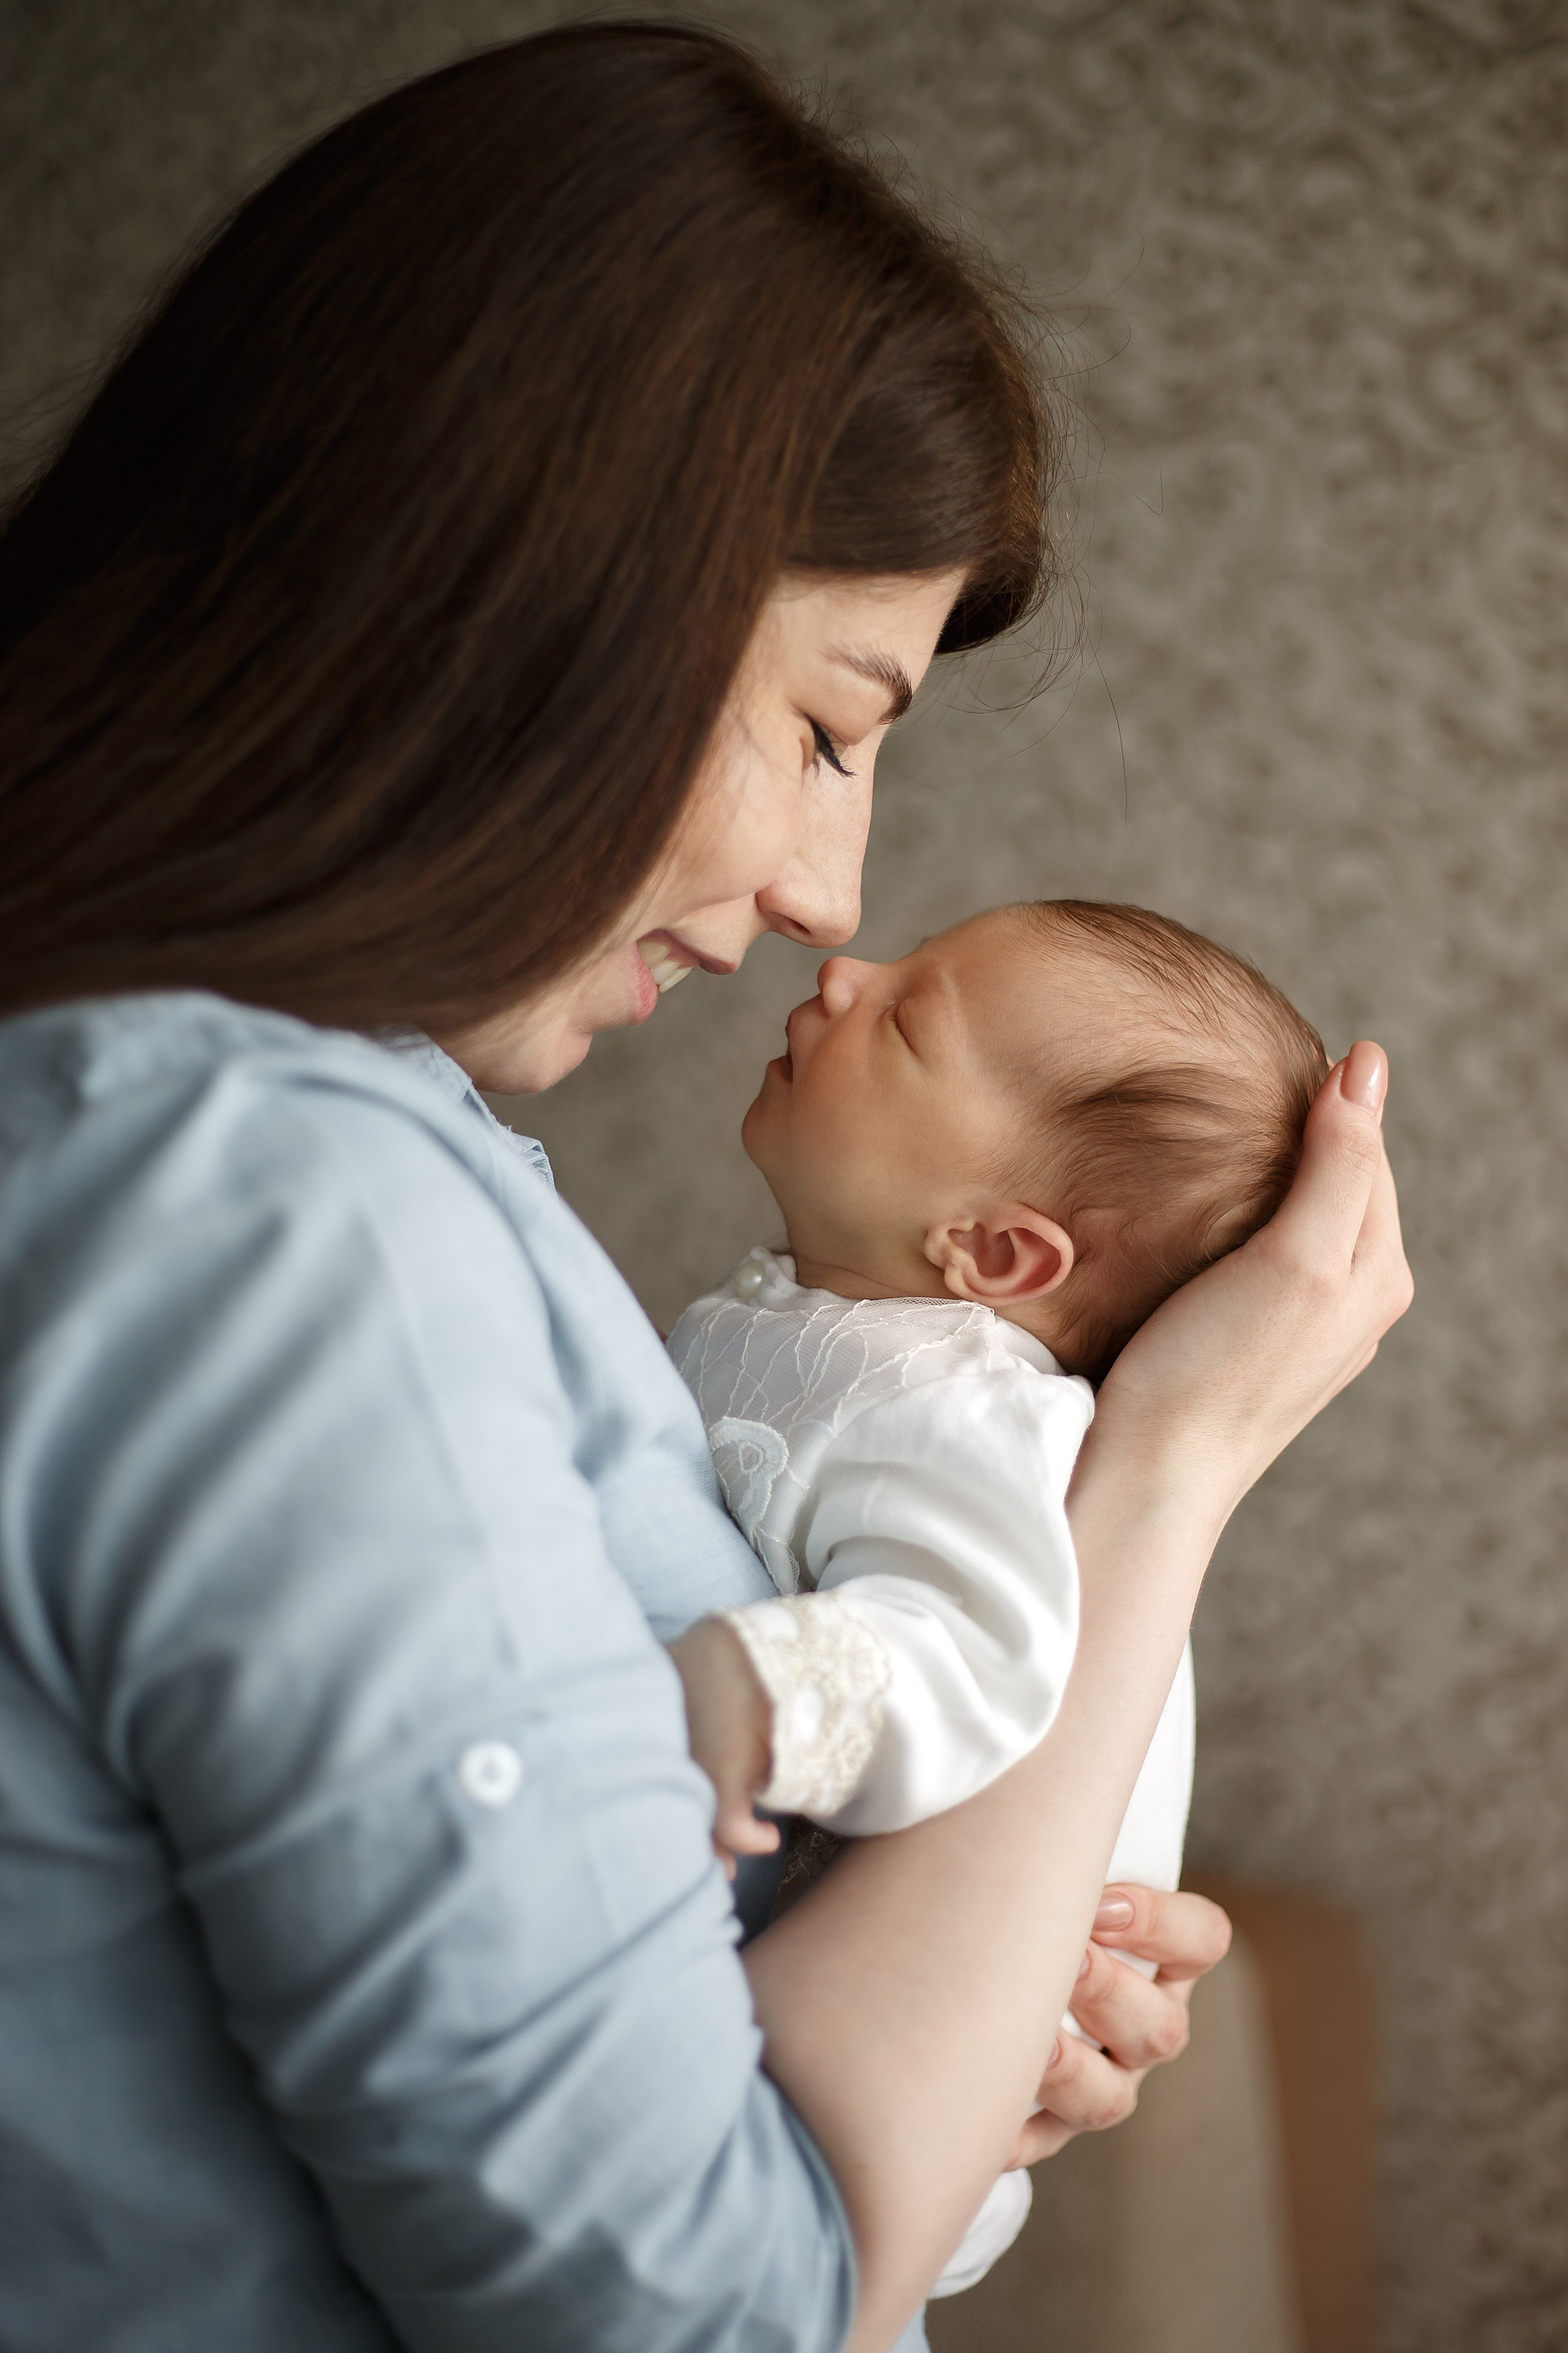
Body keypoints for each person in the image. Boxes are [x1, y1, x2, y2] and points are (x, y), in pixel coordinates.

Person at [0, 25, 1411, 2353]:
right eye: (830, 725)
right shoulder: (289, 1220)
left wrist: (957, 1993)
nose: (825, 897)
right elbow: (718, 2314)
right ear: (537, 587)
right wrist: (1172, 1461)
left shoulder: (245, 1132)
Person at [666, 897, 1329, 2298]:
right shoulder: (853, 1341)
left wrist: (751, 1690)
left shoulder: (963, 1410)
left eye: (907, 1017)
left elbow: (970, 1658)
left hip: (883, 2113)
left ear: (996, 1253)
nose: (841, 973)